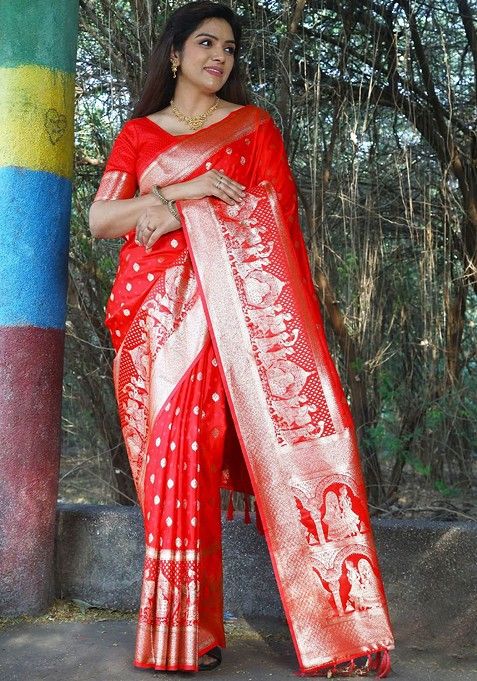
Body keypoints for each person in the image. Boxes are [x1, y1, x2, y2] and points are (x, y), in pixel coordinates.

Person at [88, 1, 395, 675]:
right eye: (204, 43)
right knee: (177, 473)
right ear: (174, 54)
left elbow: (275, 219)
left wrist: (172, 212)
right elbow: (101, 218)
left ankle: (343, 636)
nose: (218, 57)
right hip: (158, 332)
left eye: (228, 47)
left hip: (247, 332)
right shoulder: (139, 135)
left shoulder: (253, 128)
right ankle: (185, 634)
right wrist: (185, 191)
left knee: (297, 456)